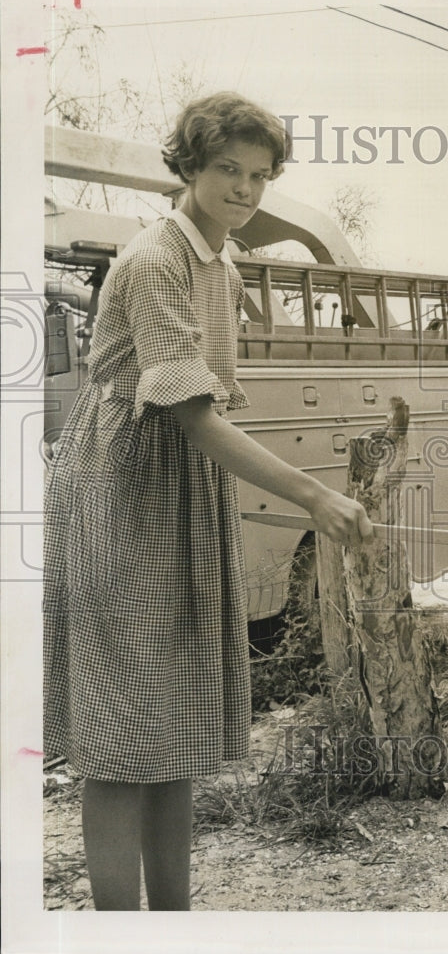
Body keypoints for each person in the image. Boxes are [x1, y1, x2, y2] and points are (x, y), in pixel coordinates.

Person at [43, 91, 373, 911]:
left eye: (260, 175)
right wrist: (310, 496)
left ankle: (175, 923)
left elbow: (209, 410)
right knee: (121, 737)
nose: (245, 189)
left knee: (173, 728)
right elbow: (189, 411)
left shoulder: (218, 261)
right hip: (121, 495)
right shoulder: (157, 259)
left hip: (180, 494)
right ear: (189, 167)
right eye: (228, 169)